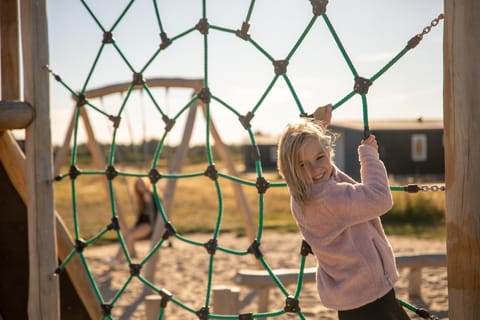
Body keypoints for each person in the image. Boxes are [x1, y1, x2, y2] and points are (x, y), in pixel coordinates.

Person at [276, 105, 410, 320]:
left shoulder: (301, 194)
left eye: (320, 157)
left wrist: (317, 126)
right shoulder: (329, 199)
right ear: (292, 169)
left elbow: (328, 176)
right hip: (371, 297)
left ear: (328, 152)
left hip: (349, 298)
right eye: (302, 165)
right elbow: (380, 198)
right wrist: (369, 156)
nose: (315, 170)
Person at [109, 178, 158, 263]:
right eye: (138, 185)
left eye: (142, 184)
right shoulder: (141, 199)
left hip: (152, 225)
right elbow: (141, 217)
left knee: (130, 236)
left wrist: (150, 201)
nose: (141, 187)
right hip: (145, 224)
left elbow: (158, 211)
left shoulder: (153, 195)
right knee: (128, 234)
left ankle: (117, 259)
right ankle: (119, 257)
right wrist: (135, 227)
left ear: (146, 184)